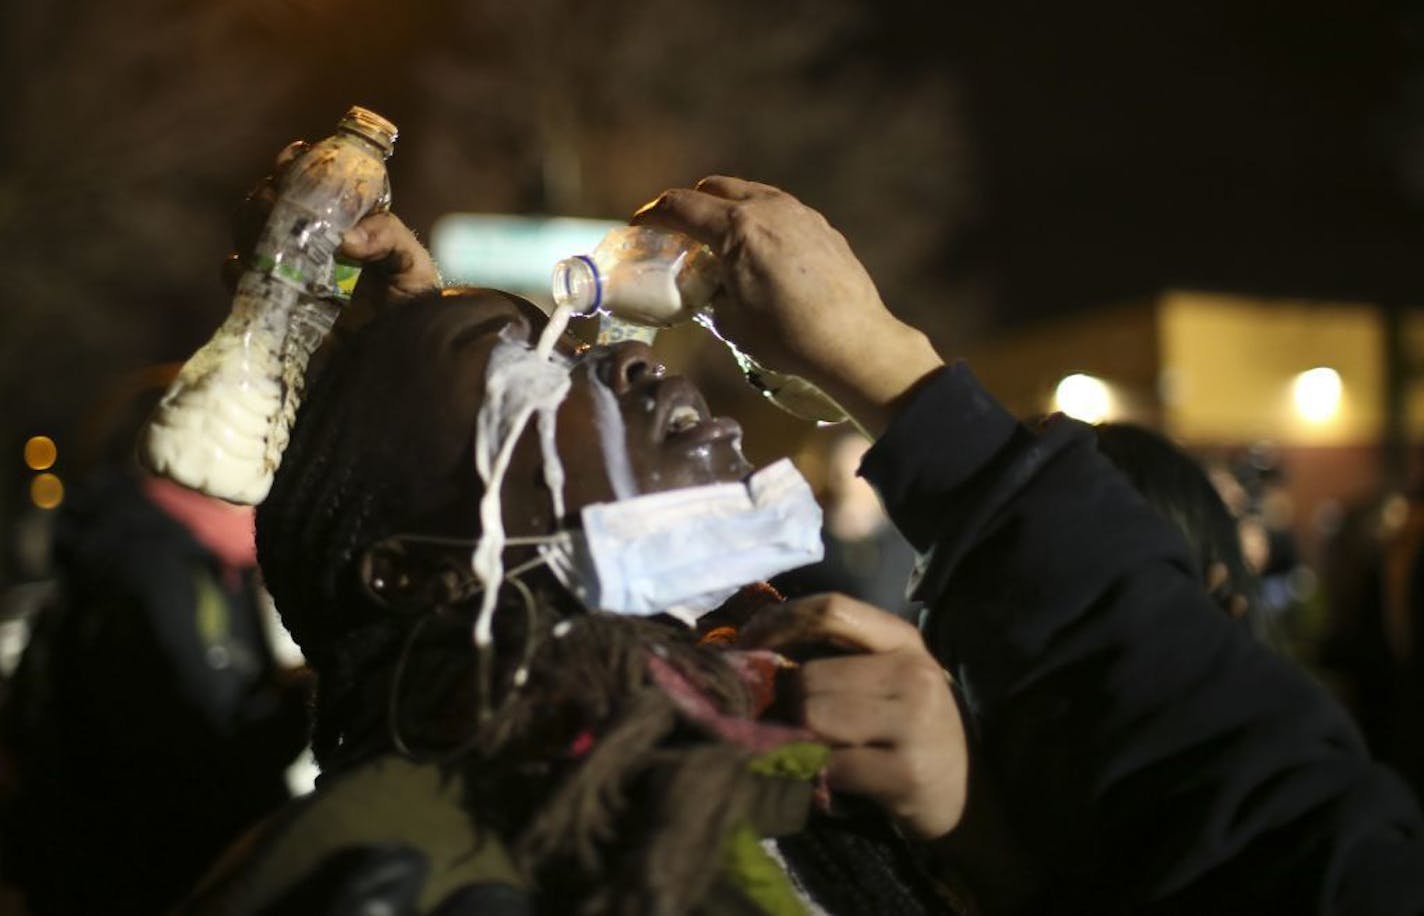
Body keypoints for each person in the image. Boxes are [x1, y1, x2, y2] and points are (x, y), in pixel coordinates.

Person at [0, 371, 309, 915]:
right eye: (259, 441)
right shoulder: (151, 568)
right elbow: (195, 759)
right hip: (145, 887)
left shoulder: (199, 559)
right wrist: (306, 701)